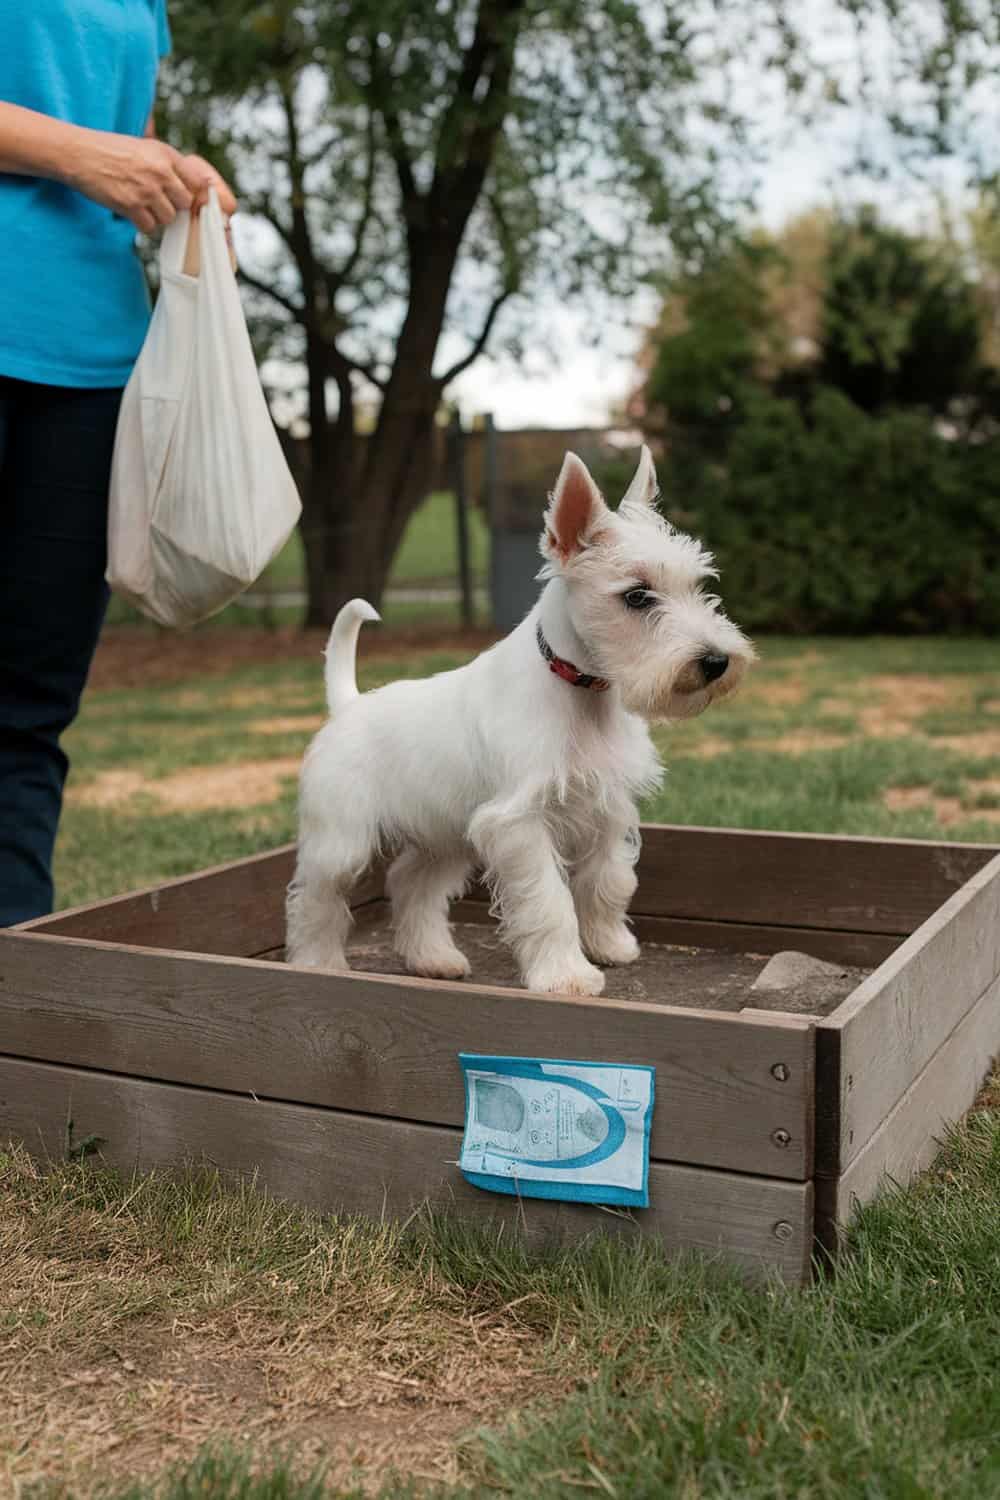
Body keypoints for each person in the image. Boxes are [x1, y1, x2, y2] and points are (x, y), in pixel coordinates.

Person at [0, 2, 236, 925]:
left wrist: (172, 173)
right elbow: (84, 146)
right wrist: (77, 155)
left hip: (93, 359)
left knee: (26, 719)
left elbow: (117, 131)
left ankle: (14, 1012)